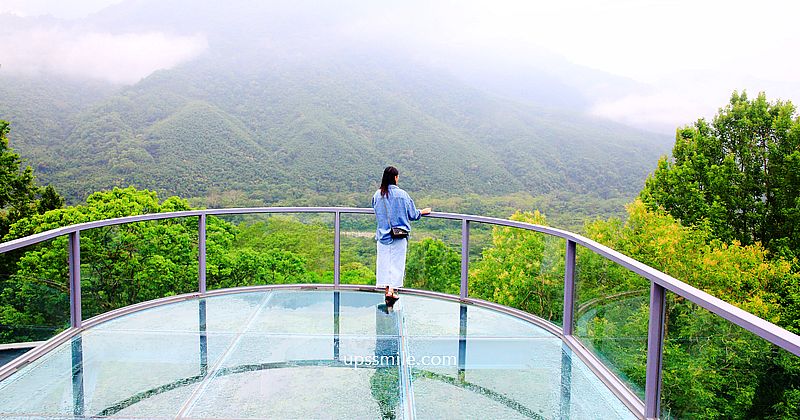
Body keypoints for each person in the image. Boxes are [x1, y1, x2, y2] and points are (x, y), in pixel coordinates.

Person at [372, 166, 431, 306]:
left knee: (384, 263)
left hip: (383, 236)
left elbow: (375, 210)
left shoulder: (377, 195)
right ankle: (392, 291)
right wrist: (422, 212)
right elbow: (412, 214)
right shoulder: (403, 195)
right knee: (397, 264)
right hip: (399, 236)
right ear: (396, 178)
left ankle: (387, 291)